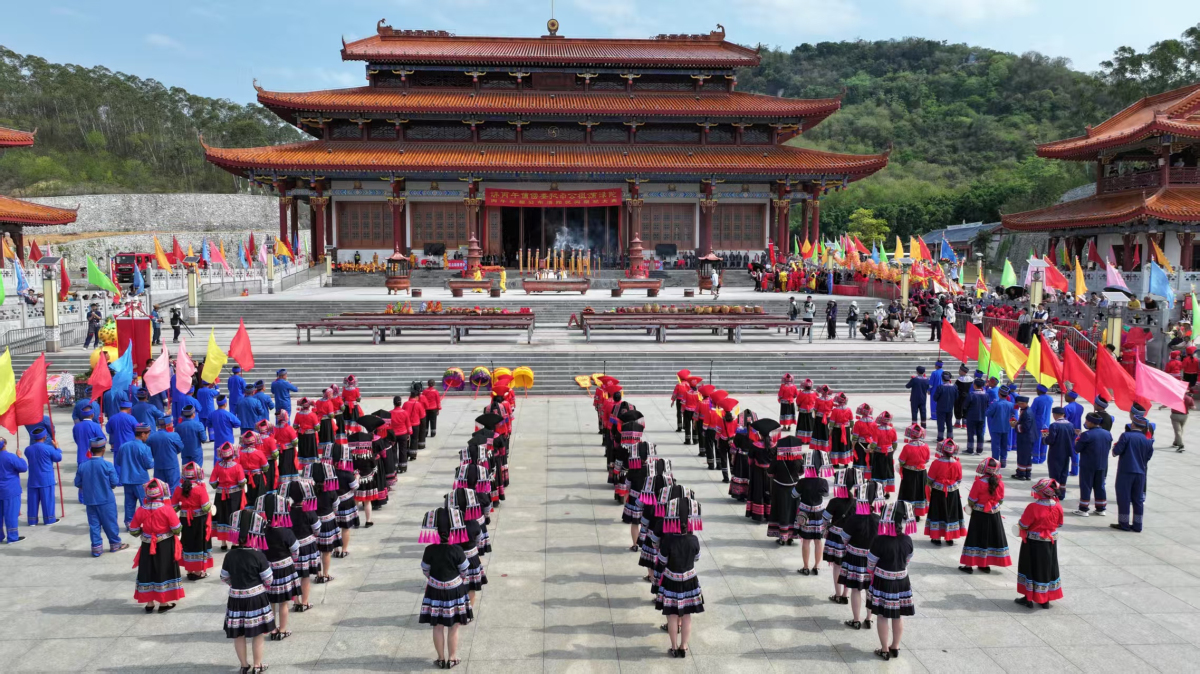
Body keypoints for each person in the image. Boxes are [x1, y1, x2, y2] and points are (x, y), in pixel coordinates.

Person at [221, 509, 276, 673]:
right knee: (258, 633)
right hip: (256, 597)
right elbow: (269, 579)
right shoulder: (257, 556)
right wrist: (262, 586)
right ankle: (258, 665)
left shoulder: (230, 555)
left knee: (239, 634)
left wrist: (235, 585)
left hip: (236, 598)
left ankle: (244, 665)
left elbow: (224, 577)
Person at [419, 507, 473, 669]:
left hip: (434, 590)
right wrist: (457, 579)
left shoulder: (429, 549)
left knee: (437, 626)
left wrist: (432, 579)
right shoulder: (457, 549)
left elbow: (425, 569)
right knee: (454, 626)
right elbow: (464, 570)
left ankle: (441, 658)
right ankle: (453, 657)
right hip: (454, 590)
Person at [867, 501, 916, 661]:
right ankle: (895, 646)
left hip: (883, 581)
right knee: (898, 615)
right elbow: (908, 559)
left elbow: (871, 563)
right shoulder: (907, 540)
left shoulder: (879, 540)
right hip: (901, 581)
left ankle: (884, 649)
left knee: (882, 616)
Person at [657, 494, 705, 658]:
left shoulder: (668, 541)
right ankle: (684, 647)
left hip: (672, 580)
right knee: (686, 616)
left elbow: (662, 561)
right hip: (690, 580)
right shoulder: (693, 540)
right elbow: (697, 558)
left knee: (672, 615)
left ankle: (673, 646)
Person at [130, 478, 185, 613]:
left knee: (147, 571)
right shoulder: (167, 509)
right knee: (163, 571)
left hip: (147, 544)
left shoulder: (141, 510)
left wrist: (145, 532)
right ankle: (163, 603)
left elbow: (134, 531)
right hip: (165, 544)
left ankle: (149, 603)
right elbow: (177, 528)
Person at [837, 480, 883, 631]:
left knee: (856, 589)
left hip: (854, 558)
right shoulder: (879, 520)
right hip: (872, 560)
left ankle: (856, 620)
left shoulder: (854, 518)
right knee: (870, 589)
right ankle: (869, 619)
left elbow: (843, 538)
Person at [1014, 479, 1064, 609]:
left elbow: (1024, 525)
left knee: (1030, 568)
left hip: (1033, 543)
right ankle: (1044, 600)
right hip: (1050, 543)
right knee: (1047, 568)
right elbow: (1059, 524)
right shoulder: (1057, 506)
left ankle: (1028, 598)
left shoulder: (1033, 507)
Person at [259, 493, 301, 642]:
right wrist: (292, 560)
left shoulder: (261, 531)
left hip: (268, 570)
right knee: (283, 602)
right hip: (285, 569)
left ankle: (273, 628)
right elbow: (296, 549)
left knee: (271, 602)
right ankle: (282, 630)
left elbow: (259, 550)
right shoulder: (285, 531)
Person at [76, 438, 128, 556]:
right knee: (110, 523)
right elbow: (114, 482)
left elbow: (77, 483)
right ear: (103, 449)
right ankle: (115, 544)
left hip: (90, 500)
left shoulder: (83, 466)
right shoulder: (107, 465)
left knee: (94, 525)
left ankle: (96, 548)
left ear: (91, 449)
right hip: (106, 500)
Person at [959, 457, 1011, 574]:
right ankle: (985, 564)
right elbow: (1001, 500)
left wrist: (973, 505)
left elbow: (972, 499)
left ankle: (969, 565)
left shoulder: (979, 483)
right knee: (990, 538)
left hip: (979, 514)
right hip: (994, 514)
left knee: (974, 538)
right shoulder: (1000, 483)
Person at [820, 467, 860, 603]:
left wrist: (825, 528)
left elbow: (824, 518)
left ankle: (837, 594)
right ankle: (845, 594)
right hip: (851, 539)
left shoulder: (835, 502)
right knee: (847, 566)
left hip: (836, 538)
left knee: (837, 566)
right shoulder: (857, 503)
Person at [1111, 412, 1154, 533]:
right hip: (1140, 472)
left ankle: (1124, 523)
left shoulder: (1126, 436)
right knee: (1138, 499)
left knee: (1124, 497)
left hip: (1126, 471)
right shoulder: (1148, 440)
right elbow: (1148, 456)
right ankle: (1137, 525)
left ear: (1133, 424)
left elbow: (1116, 452)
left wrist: (1114, 447)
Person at [794, 448, 831, 569]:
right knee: (818, 541)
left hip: (805, 514)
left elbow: (794, 495)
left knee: (806, 541)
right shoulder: (823, 482)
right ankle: (816, 566)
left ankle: (805, 567)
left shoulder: (802, 482)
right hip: (819, 514)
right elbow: (825, 494)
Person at [925, 439, 964, 546]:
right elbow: (959, 479)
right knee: (951, 513)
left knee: (938, 513)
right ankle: (949, 537)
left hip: (938, 491)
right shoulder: (957, 464)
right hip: (953, 492)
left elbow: (929, 479)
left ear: (942, 450)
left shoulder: (936, 463)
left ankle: (936, 537)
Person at [116, 423, 155, 528]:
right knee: (145, 503)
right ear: (142, 434)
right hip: (140, 480)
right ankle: (147, 523)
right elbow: (149, 465)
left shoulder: (123, 446)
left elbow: (119, 462)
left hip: (127, 480)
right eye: (147, 434)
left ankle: (130, 524)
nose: (148, 437)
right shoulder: (144, 448)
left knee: (129, 503)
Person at [1074, 412, 1113, 517]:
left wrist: (1078, 439)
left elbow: (1077, 449)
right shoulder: (1107, 433)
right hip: (1102, 464)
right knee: (1100, 486)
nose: (1085, 423)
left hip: (1088, 465)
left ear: (1091, 422)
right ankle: (1100, 508)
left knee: (1086, 486)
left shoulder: (1086, 434)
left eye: (1087, 421)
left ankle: (1083, 509)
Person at [210, 443, 247, 550]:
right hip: (234, 496)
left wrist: (220, 485)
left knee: (222, 517)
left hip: (220, 495)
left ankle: (223, 543)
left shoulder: (218, 465)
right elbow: (241, 482)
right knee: (233, 517)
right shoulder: (237, 466)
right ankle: (234, 543)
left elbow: (212, 482)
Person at [897, 424, 930, 519]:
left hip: (909, 473)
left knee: (909, 492)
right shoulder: (926, 446)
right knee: (920, 492)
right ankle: (918, 513)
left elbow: (902, 461)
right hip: (921, 472)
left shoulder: (907, 447)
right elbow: (927, 460)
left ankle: (908, 511)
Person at [0, 438, 28, 543]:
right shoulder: (10, 457)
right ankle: (12, 537)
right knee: (11, 514)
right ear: (5, 445)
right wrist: (20, 458)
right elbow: (23, 468)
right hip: (10, 490)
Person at [1044, 408, 1076, 499]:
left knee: (1054, 473)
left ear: (1055, 414)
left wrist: (1044, 438)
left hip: (1055, 452)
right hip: (1066, 453)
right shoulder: (1071, 425)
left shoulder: (1054, 425)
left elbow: (1051, 440)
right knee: (1063, 473)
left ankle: (1055, 493)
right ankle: (1062, 493)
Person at [148, 417, 184, 493]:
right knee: (173, 487)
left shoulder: (152, 437)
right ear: (168, 425)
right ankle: (173, 504)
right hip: (172, 466)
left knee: (159, 488)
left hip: (158, 466)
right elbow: (180, 447)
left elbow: (149, 451)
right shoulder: (174, 435)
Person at [985, 386, 1015, 468]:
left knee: (995, 446)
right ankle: (1003, 461)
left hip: (996, 428)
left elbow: (987, 413)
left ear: (999, 393)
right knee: (1004, 446)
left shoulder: (995, 404)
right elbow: (1014, 415)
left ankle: (995, 462)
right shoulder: (1011, 405)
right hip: (1006, 428)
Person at [871, 412, 898, 494]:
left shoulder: (877, 430)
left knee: (878, 471)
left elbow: (874, 444)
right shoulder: (892, 430)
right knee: (888, 471)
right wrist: (891, 452)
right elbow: (895, 443)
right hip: (889, 453)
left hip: (879, 453)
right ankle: (887, 492)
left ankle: (878, 490)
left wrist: (869, 449)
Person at [210, 396, 241, 461]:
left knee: (218, 458)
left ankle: (218, 470)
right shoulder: (228, 414)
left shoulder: (212, 414)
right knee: (229, 458)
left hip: (218, 440)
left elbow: (208, 424)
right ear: (225, 404)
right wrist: (231, 425)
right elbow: (238, 423)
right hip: (228, 440)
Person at [1012, 395, 1035, 481]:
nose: (1019, 405)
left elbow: (1025, 427)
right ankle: (1027, 473)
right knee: (1027, 456)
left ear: (1024, 403)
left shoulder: (1027, 413)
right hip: (1027, 438)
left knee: (1022, 456)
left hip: (1026, 438)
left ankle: (1021, 474)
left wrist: (1015, 425)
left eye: (1020, 404)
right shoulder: (1026, 411)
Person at [963, 379, 988, 455]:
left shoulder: (971, 394)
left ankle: (970, 449)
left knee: (970, 433)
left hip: (971, 417)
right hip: (982, 417)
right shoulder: (986, 395)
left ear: (975, 385)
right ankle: (979, 449)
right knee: (980, 433)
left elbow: (965, 406)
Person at [1030, 384, 1054, 465]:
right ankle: (1042, 457)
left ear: (1039, 390)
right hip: (1046, 423)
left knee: (1037, 440)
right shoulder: (1050, 399)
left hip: (1038, 423)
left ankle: (1036, 458)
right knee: (1044, 440)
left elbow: (1032, 411)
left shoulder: (1037, 400)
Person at [933, 372, 957, 442]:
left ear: (942, 379)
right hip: (950, 408)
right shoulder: (954, 387)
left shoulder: (940, 387)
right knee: (949, 422)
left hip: (941, 408)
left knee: (941, 423)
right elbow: (956, 397)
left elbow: (935, 398)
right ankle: (950, 437)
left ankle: (940, 438)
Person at [1170, 385, 1194, 452]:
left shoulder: (1175, 397)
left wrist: (1161, 407)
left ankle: (1181, 445)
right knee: (1180, 430)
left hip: (1175, 415)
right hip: (1184, 416)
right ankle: (1176, 442)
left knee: (1177, 431)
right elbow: (1193, 407)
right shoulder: (1189, 398)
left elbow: (1167, 404)